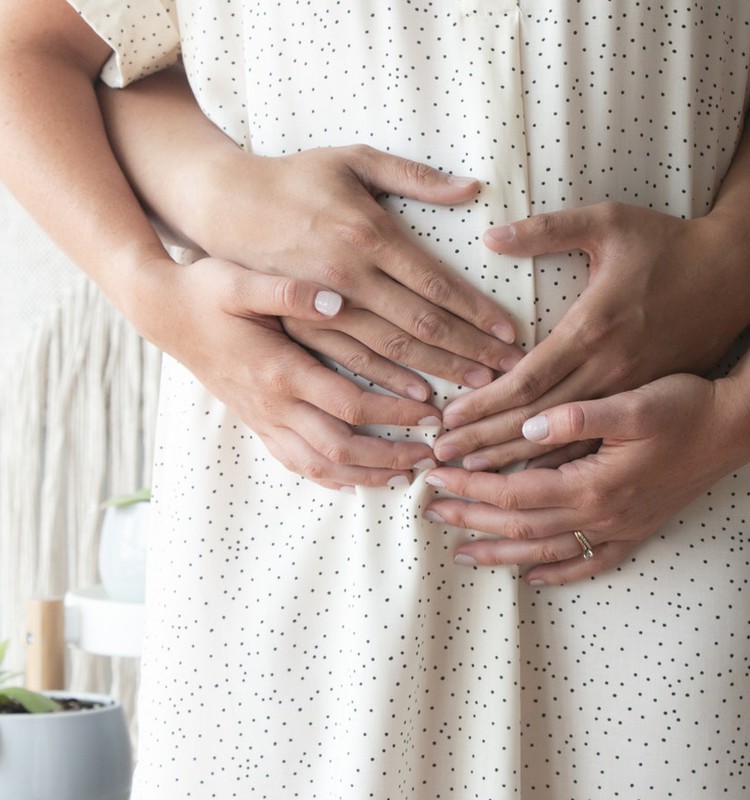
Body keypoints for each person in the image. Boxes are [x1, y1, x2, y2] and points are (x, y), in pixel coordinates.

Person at [1, 1, 748, 797]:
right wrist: (152, 290)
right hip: (300, 531)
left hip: (676, 514)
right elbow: (32, 46)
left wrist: (733, 414)